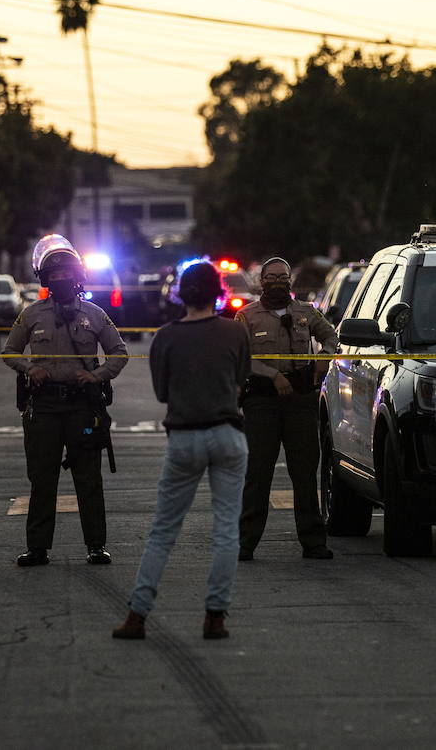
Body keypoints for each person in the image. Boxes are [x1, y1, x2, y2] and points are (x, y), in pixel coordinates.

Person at [114, 261, 251, 641]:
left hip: (185, 437)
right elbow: (241, 380)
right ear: (218, 292)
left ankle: (138, 615)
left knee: (163, 530)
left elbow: (162, 393)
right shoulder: (234, 333)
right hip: (227, 434)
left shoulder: (165, 337)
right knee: (226, 530)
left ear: (180, 294)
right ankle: (215, 616)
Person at [3, 234, 128, 567]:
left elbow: (119, 352)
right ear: (45, 280)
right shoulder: (30, 315)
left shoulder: (95, 314)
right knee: (42, 478)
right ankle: (38, 548)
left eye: (66, 274)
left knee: (88, 478)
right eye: (54, 276)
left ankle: (96, 546)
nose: (60, 280)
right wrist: (29, 368)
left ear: (78, 278)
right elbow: (9, 351)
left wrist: (97, 376)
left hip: (82, 407)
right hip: (43, 407)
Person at [236, 257, 338, 561]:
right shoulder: (247, 316)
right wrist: (273, 376)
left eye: (283, 276)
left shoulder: (305, 313)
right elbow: (239, 358)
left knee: (305, 473)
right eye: (272, 277)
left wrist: (323, 361)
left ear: (290, 280)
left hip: (301, 402)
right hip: (262, 402)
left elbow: (331, 337)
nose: (278, 282)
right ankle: (245, 543)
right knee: (258, 473)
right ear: (261, 281)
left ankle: (313, 542)